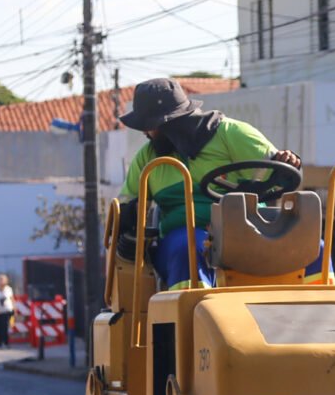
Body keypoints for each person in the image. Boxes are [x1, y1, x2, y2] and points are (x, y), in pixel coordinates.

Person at [117, 78, 304, 290]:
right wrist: (128, 213)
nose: (145, 133)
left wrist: (288, 162)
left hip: (250, 230)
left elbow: (282, 172)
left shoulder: (231, 133)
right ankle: (193, 309)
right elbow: (125, 204)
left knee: (310, 245)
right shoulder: (147, 159)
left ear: (168, 124)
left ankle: (320, 305)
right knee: (188, 250)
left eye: (148, 127)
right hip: (185, 238)